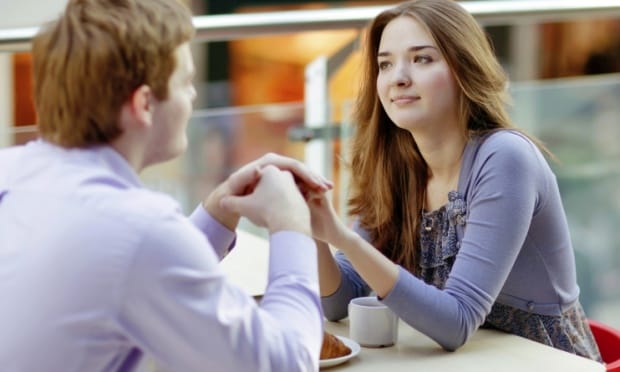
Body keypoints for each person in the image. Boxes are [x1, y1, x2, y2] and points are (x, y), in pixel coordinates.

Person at [0, 0, 333, 371]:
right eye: (185, 82)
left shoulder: (11, 172)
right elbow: (287, 364)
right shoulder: (137, 229)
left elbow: (126, 269)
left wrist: (218, 211)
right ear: (144, 103)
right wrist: (292, 228)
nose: (192, 97)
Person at [307, 0, 602, 362]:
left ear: (464, 68)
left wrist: (342, 237)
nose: (398, 77)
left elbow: (455, 322)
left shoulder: (505, 158)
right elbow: (340, 301)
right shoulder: (394, 166)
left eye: (422, 59)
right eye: (385, 64)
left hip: (546, 363)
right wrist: (315, 232)